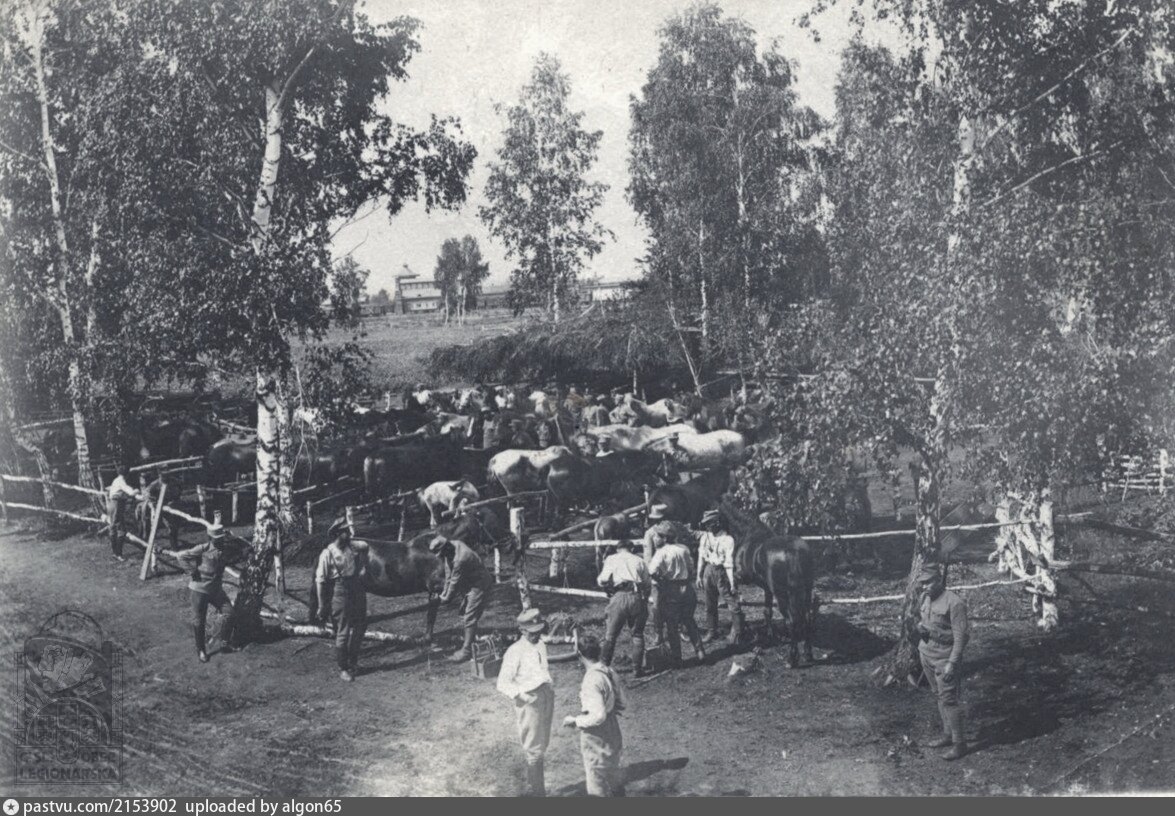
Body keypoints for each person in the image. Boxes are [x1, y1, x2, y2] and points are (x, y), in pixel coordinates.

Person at [497, 608, 554, 796]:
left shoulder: (541, 644)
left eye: (539, 631)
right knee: (534, 749)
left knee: (543, 744)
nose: (536, 635)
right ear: (522, 630)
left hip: (545, 695)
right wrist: (523, 696)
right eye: (532, 632)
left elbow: (542, 668)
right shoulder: (514, 651)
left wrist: (548, 686)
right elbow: (502, 683)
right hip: (529, 700)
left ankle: (533, 785)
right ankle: (538, 793)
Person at [916, 561, 970, 760]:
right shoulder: (925, 597)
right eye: (922, 583)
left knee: (949, 700)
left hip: (944, 658)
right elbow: (925, 620)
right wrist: (921, 627)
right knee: (938, 695)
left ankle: (959, 744)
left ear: (939, 580)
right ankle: (948, 735)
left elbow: (961, 638)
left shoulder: (954, 603)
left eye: (928, 582)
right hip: (926, 652)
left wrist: (952, 663)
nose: (924, 586)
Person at [562, 633, 628, 797]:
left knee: (596, 782)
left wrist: (575, 721)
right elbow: (623, 703)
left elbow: (598, 717)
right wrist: (609, 705)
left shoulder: (591, 680)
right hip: (613, 731)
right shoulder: (609, 671)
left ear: (579, 654)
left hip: (597, 737)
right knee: (613, 775)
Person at [171, 522, 245, 663]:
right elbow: (181, 556)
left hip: (216, 590)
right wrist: (192, 571)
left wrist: (231, 537)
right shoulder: (203, 548)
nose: (219, 541)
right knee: (199, 621)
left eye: (221, 538)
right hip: (199, 590)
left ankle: (224, 642)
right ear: (210, 538)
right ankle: (201, 650)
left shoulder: (225, 549)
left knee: (229, 613)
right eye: (217, 538)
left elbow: (241, 547)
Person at [314, 518, 369, 681]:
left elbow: (365, 546)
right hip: (339, 591)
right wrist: (321, 605)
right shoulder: (327, 553)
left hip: (356, 589)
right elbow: (320, 581)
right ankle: (343, 668)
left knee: (361, 624)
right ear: (338, 534)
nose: (349, 534)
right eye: (345, 531)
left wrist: (362, 566)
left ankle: (353, 661)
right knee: (343, 630)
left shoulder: (350, 546)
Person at [648, 527, 707, 667]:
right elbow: (691, 567)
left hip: (672, 589)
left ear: (664, 538)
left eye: (658, 536)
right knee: (689, 620)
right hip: (687, 588)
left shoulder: (661, 552)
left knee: (672, 625)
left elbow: (651, 571)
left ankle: (677, 658)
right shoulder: (684, 549)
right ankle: (700, 651)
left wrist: (662, 579)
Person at [429, 535, 493, 662]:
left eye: (441, 553)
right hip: (469, 584)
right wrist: (443, 595)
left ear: (446, 547)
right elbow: (448, 573)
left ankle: (466, 651)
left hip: (479, 584)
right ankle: (472, 642)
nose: (441, 556)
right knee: (464, 613)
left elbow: (455, 582)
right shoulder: (451, 547)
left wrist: (445, 599)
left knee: (469, 616)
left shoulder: (461, 557)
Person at [596, 539, 651, 676]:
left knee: (610, 635)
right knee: (637, 634)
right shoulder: (639, 560)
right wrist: (644, 599)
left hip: (619, 596)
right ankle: (637, 669)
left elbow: (602, 579)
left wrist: (606, 587)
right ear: (631, 549)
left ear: (618, 549)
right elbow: (647, 583)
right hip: (636, 596)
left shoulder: (611, 558)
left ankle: (603, 668)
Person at [641, 505, 693, 647]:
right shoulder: (650, 533)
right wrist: (654, 575)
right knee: (657, 605)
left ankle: (681, 629)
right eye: (657, 519)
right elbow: (648, 556)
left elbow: (679, 549)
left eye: (662, 518)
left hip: (673, 576)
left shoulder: (673, 529)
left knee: (679, 603)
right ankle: (658, 633)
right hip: (658, 575)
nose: (660, 521)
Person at [695, 509, 743, 644]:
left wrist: (732, 583)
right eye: (706, 524)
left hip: (722, 572)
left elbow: (729, 563)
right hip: (708, 571)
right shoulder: (705, 537)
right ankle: (711, 631)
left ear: (717, 523)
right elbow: (701, 557)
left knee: (732, 602)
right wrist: (698, 575)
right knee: (709, 604)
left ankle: (738, 633)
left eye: (710, 523)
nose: (707, 527)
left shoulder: (728, 539)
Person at [106, 464, 142, 562]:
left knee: (113, 527)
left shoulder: (116, 480)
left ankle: (115, 552)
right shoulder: (121, 481)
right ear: (127, 474)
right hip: (117, 505)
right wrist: (137, 490)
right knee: (121, 529)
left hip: (112, 504)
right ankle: (118, 554)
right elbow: (131, 492)